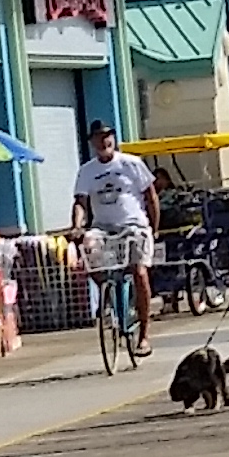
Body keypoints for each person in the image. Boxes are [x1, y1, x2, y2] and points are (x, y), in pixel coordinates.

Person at [70, 123, 159, 354]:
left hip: (133, 225)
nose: (104, 142)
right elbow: (80, 202)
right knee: (88, 248)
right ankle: (107, 293)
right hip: (103, 227)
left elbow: (151, 196)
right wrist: (77, 226)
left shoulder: (131, 163)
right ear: (92, 142)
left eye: (108, 137)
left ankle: (144, 335)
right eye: (99, 138)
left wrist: (154, 228)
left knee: (139, 272)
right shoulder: (87, 171)